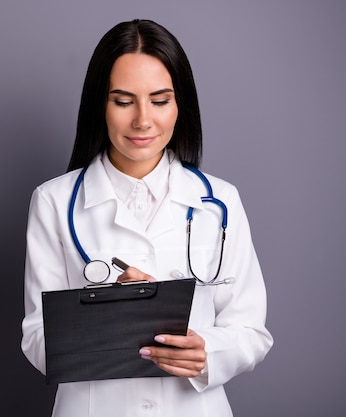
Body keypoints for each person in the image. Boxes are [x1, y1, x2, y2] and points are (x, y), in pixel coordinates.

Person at [21, 18, 273, 416]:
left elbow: (251, 331)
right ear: (98, 105)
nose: (142, 120)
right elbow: (37, 338)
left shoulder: (220, 201)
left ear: (180, 104)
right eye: (123, 101)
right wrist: (117, 310)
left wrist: (206, 352)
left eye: (159, 101)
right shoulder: (53, 201)